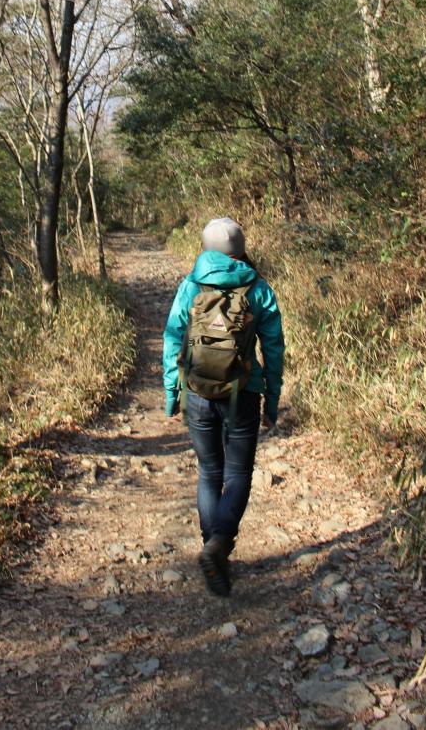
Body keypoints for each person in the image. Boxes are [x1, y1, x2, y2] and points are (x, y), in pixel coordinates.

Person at [162, 216, 285, 596]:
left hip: (198, 392)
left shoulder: (191, 284)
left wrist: (172, 393)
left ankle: (211, 545)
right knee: (238, 473)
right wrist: (272, 400)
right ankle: (220, 542)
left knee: (209, 471)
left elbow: (172, 338)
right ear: (240, 249)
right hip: (243, 393)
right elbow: (274, 348)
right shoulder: (258, 287)